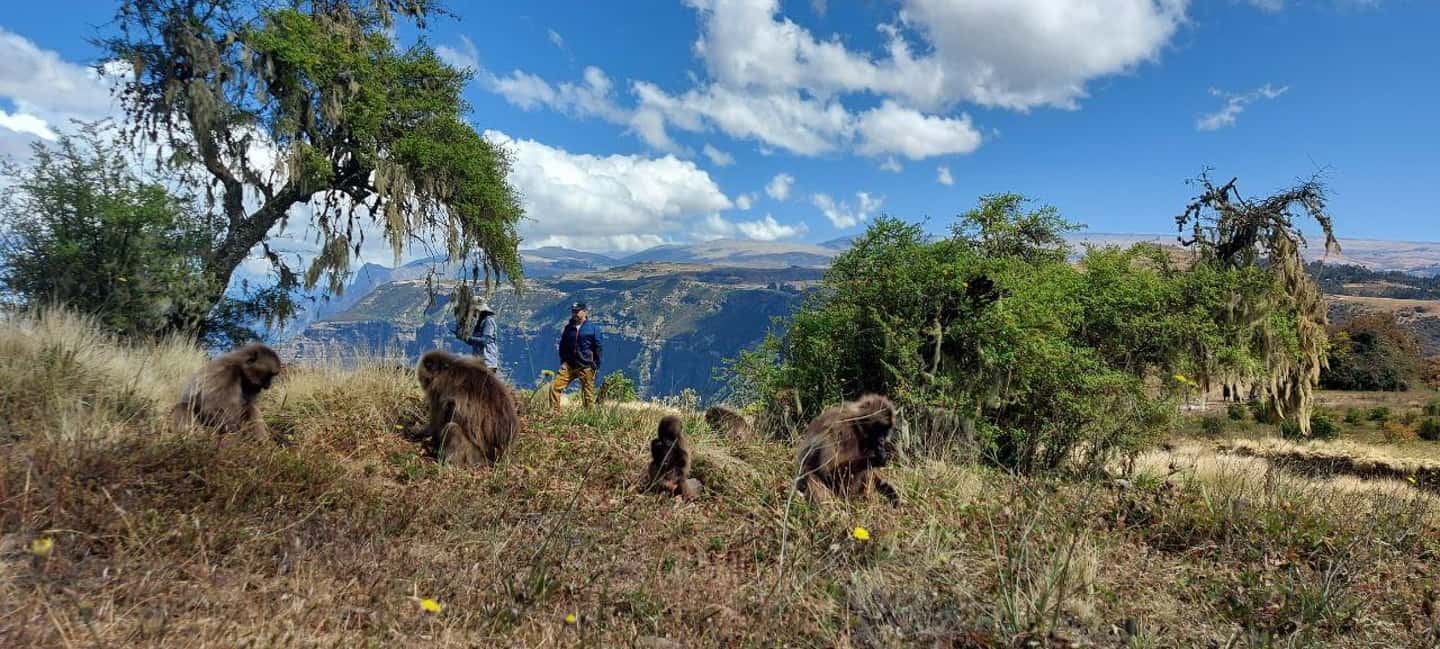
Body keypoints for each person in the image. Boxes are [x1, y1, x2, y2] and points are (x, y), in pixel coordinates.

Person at [550, 302, 602, 412]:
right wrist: (563, 360)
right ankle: (554, 413)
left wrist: (595, 364)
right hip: (569, 365)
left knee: (588, 394)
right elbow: (562, 344)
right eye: (573, 311)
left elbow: (598, 347)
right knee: (554, 387)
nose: (574, 313)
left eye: (577, 311)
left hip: (586, 366)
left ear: (585, 312)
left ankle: (590, 418)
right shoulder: (568, 328)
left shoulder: (593, 328)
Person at [465, 301, 500, 372]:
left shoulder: (488, 321)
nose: (473, 314)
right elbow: (474, 341)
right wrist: (463, 338)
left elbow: (485, 340)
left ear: (479, 311)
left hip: (487, 363)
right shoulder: (479, 322)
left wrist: (468, 338)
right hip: (478, 363)